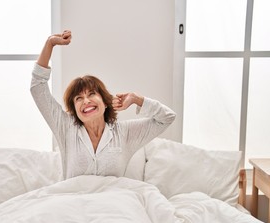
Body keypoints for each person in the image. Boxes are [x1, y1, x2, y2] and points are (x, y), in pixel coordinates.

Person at [31, 30, 176, 179]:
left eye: (92, 94)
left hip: (111, 200)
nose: (86, 101)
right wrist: (50, 43)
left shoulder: (124, 133)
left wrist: (136, 99)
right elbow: (37, 87)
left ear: (105, 103)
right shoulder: (65, 127)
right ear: (74, 109)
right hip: (74, 200)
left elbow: (167, 117)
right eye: (78, 98)